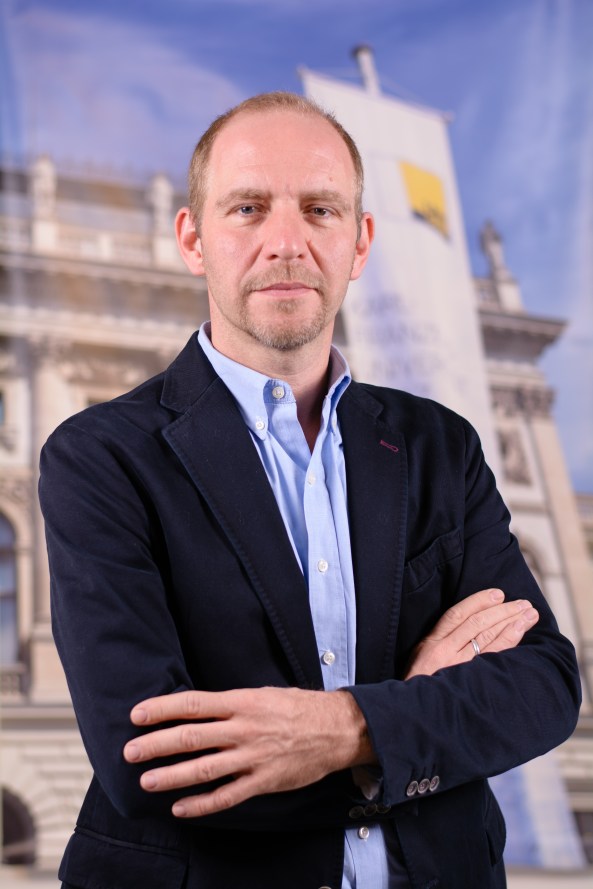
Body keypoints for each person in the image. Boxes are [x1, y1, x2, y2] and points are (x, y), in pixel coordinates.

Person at [39, 92, 580, 889]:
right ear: (192, 239)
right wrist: (407, 722)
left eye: (320, 210)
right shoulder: (98, 456)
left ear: (358, 243)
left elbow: (541, 686)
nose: (286, 242)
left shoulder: (440, 446)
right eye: (248, 208)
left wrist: (339, 727)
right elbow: (148, 759)